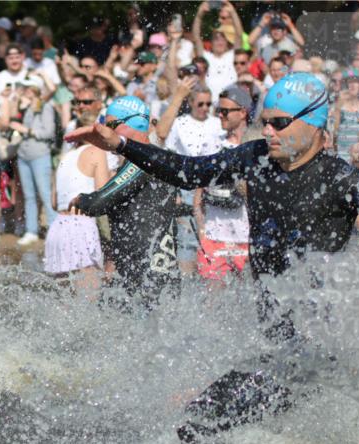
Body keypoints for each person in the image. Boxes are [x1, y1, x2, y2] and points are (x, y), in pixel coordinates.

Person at [67, 73, 359, 444]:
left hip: (311, 350)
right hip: (275, 341)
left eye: (280, 123)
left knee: (196, 428)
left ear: (315, 122)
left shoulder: (342, 180)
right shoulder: (256, 158)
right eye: (266, 121)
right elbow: (192, 173)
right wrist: (123, 144)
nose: (268, 130)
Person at [70, 96, 182, 308]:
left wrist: (80, 200)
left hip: (146, 275)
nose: (105, 131)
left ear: (131, 124)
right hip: (157, 273)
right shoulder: (158, 156)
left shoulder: (142, 161)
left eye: (110, 125)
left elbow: (100, 202)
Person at [158, 80, 225, 275]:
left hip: (211, 188)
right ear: (191, 103)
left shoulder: (216, 123)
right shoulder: (180, 123)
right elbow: (169, 156)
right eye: (200, 104)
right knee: (186, 241)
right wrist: (175, 191)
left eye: (208, 104)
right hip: (186, 188)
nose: (205, 108)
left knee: (209, 240)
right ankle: (187, 283)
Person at [46, 107, 110, 297]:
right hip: (80, 225)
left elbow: (54, 201)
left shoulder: (65, 157)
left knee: (64, 302)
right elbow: (104, 195)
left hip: (58, 226)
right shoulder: (96, 152)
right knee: (91, 297)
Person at [193, 85, 254, 285]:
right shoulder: (211, 144)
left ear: (243, 112)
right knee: (210, 303)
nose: (220, 115)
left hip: (246, 239)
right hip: (213, 236)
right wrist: (202, 232)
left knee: (249, 300)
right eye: (219, 110)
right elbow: (198, 195)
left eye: (225, 111)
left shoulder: (255, 148)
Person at [8, 74, 57, 245]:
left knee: (44, 193)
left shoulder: (46, 107)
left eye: (27, 88)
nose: (24, 91)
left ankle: (53, 228)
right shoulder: (27, 107)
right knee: (28, 195)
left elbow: (49, 133)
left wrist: (26, 130)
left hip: (40, 155)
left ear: (35, 89)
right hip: (23, 155)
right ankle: (31, 230)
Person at [331, 74, 359, 164]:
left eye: (355, 82)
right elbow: (333, 132)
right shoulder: (339, 107)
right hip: (340, 159)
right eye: (349, 82)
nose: (352, 85)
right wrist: (338, 106)